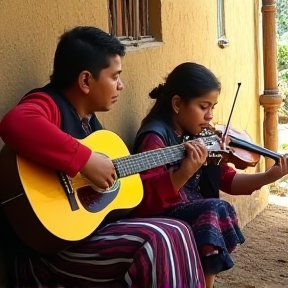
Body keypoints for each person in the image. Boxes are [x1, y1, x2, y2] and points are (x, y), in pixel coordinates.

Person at [0, 28, 206, 288]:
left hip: (89, 240)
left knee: (179, 229)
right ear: (86, 81)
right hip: (48, 254)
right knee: (162, 237)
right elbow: (15, 123)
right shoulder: (49, 103)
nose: (121, 85)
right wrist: (84, 160)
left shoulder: (95, 131)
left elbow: (132, 200)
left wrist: (183, 172)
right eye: (115, 76)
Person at [132, 62, 288, 288]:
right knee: (213, 208)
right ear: (177, 104)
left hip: (188, 208)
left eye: (213, 107)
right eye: (203, 107)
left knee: (215, 206)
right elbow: (145, 197)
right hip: (160, 213)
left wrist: (269, 176)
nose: (210, 116)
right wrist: (185, 171)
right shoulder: (155, 137)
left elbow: (230, 181)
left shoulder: (198, 137)